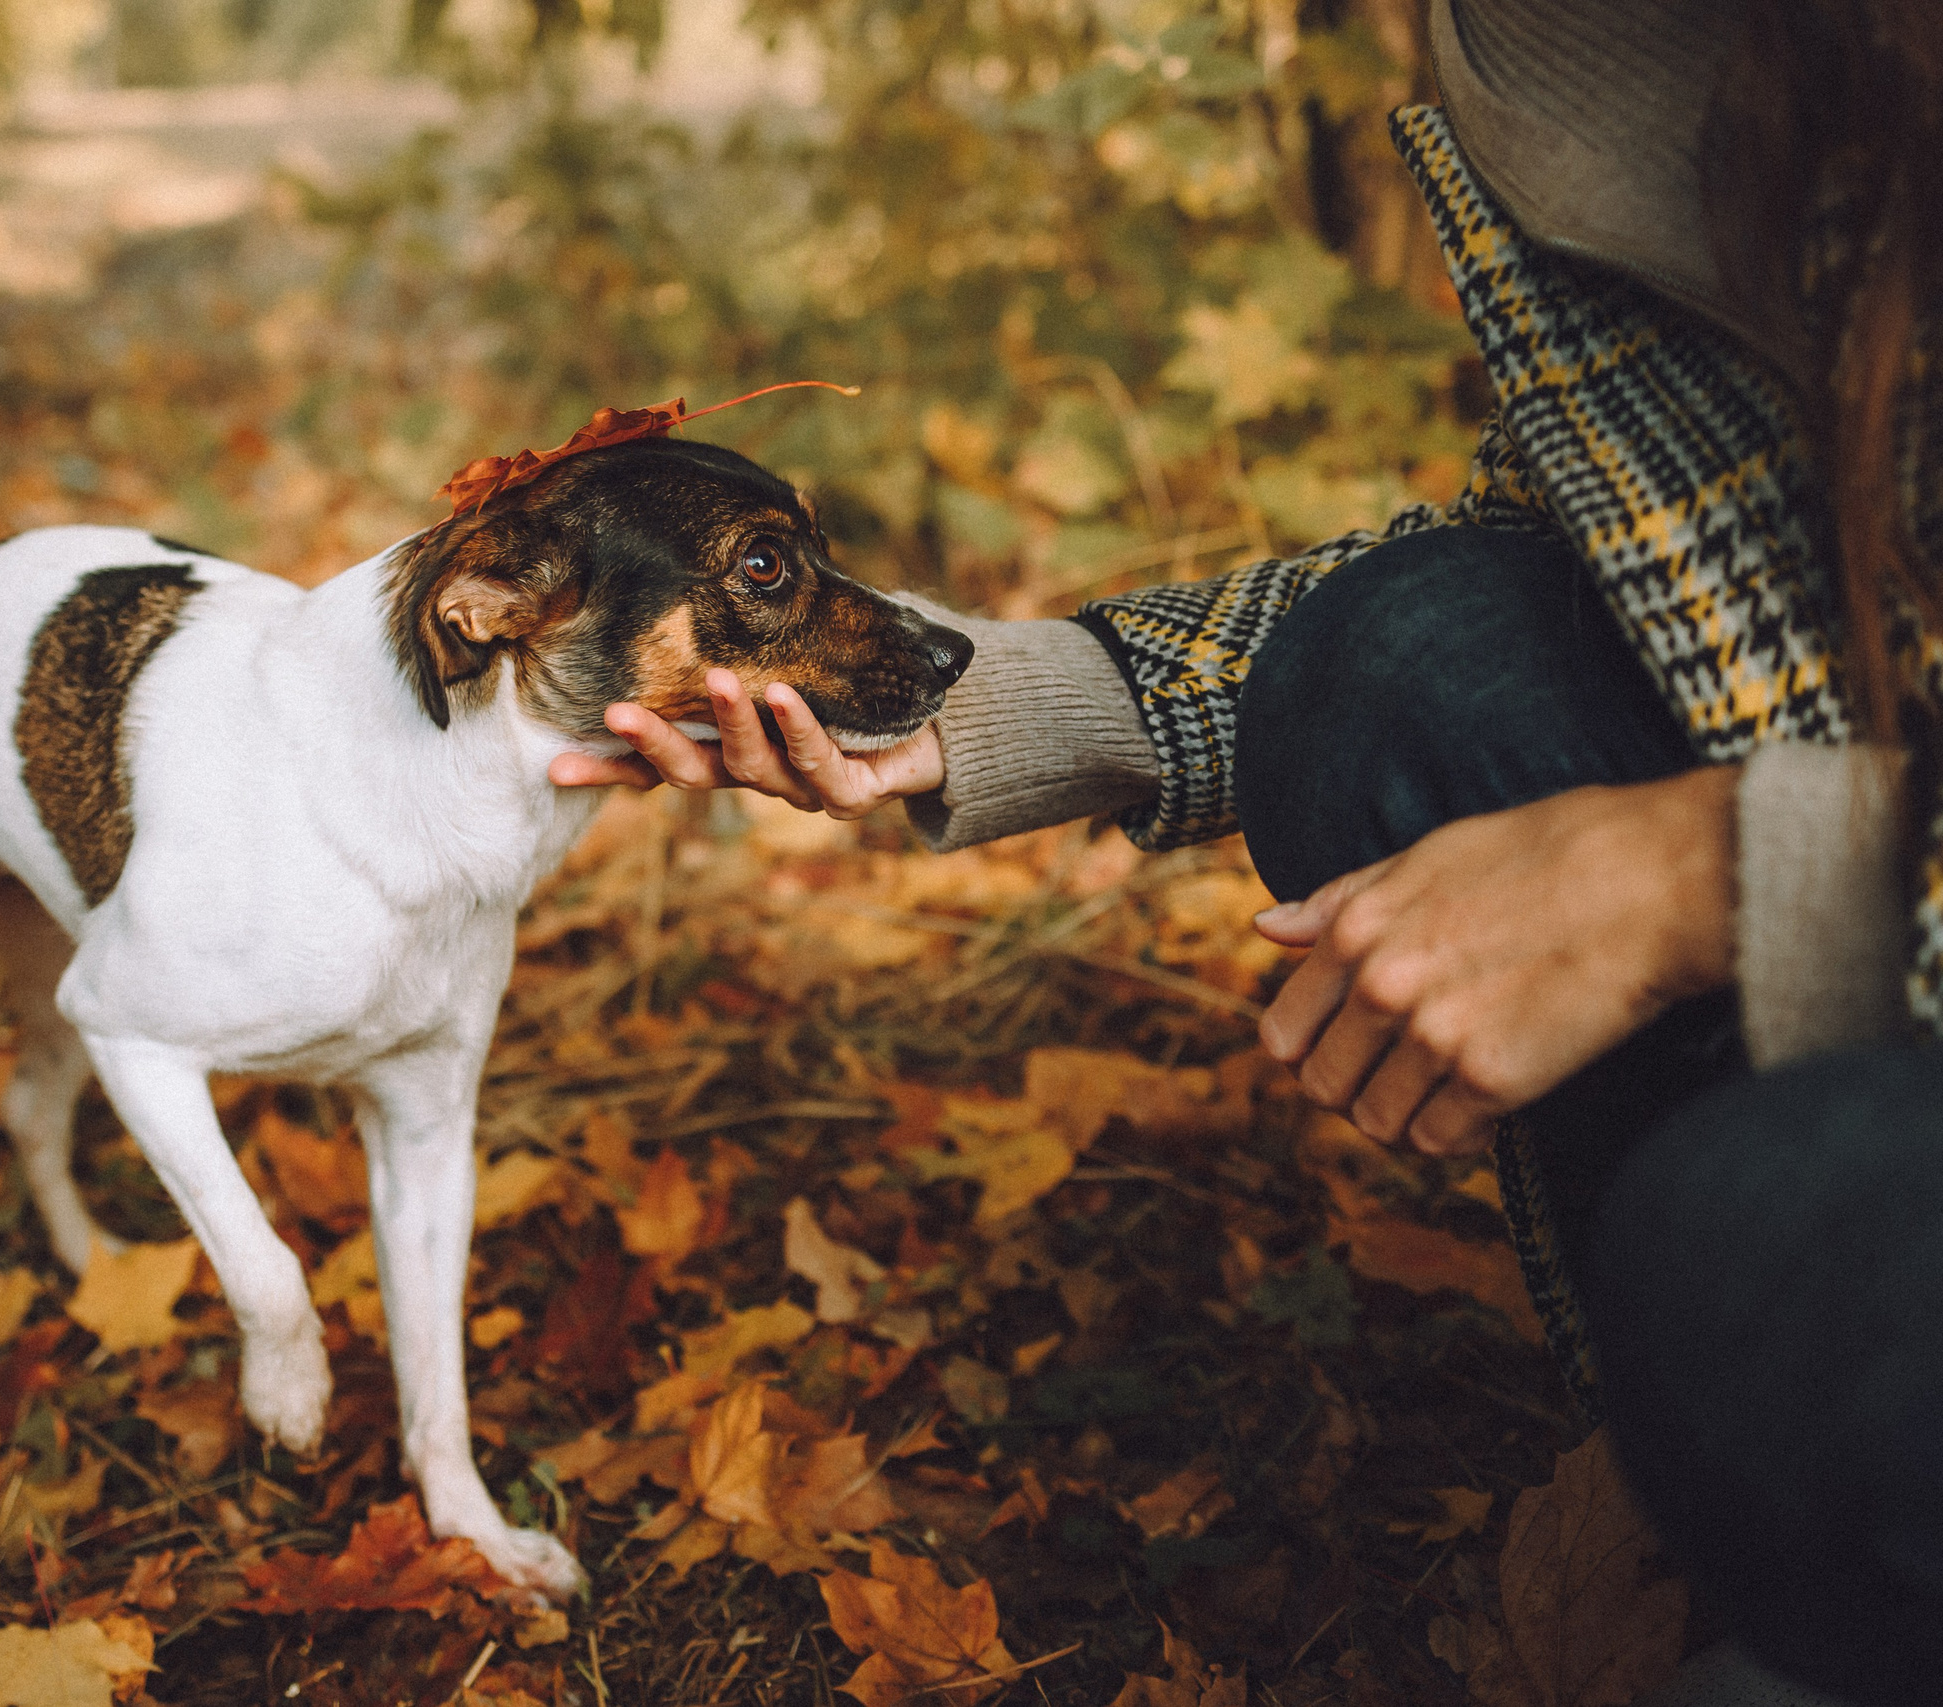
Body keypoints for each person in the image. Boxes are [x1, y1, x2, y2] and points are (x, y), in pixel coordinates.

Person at [551, 2, 1940, 1702]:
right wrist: (1008, 703)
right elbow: (1602, 551)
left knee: (1748, 1232)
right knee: (1408, 658)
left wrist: (1717, 873)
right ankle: (1761, 1501)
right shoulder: (1570, 43)